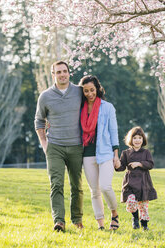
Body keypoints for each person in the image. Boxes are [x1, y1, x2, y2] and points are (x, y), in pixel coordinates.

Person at [34, 61, 84, 232]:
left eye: (65, 71)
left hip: (76, 145)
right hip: (54, 146)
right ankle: (59, 221)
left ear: (69, 73)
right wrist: (44, 143)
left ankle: (77, 219)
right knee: (56, 184)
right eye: (58, 72)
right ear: (53, 74)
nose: (62, 74)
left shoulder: (79, 91)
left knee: (76, 185)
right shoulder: (45, 96)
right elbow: (39, 121)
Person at [79, 75, 120, 230]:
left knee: (105, 186)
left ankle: (114, 214)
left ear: (97, 89)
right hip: (87, 154)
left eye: (92, 90)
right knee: (94, 191)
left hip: (105, 153)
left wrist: (116, 155)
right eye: (86, 91)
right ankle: (101, 224)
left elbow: (113, 131)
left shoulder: (107, 107)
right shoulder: (80, 108)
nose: (89, 93)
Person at [115, 126, 157, 231]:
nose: (137, 140)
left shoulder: (146, 152)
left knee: (143, 206)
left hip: (143, 182)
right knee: (131, 201)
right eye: (135, 138)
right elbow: (121, 167)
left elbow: (150, 164)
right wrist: (116, 165)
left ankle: (144, 225)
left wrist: (139, 164)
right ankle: (135, 218)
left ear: (143, 139)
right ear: (131, 139)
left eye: (139, 138)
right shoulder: (126, 153)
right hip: (130, 183)